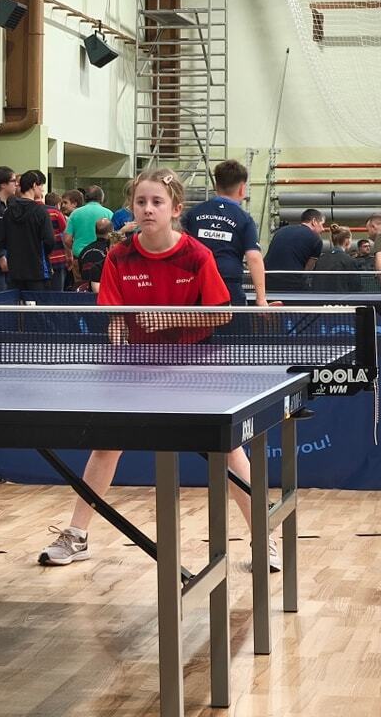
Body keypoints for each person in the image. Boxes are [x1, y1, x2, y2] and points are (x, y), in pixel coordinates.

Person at [38, 168, 281, 572]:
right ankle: (77, 534)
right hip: (138, 365)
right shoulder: (119, 256)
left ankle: (263, 536)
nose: (148, 209)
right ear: (131, 208)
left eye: (157, 202)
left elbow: (222, 314)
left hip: (194, 364)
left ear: (175, 209)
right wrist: (118, 329)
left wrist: (171, 318)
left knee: (228, 450)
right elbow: (115, 313)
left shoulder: (196, 255)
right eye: (141, 202)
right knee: (106, 446)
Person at [182, 159, 267, 306]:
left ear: (216, 186)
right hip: (228, 286)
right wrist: (261, 298)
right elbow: (254, 257)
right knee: (233, 322)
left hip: (195, 284)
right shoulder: (244, 219)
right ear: (242, 188)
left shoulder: (193, 213)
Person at [0, 170, 55, 291]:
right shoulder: (41, 212)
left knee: (15, 302)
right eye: (41, 186)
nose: (42, 190)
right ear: (34, 185)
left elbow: (2, 239)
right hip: (37, 270)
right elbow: (50, 240)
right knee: (37, 302)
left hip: (14, 270)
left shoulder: (8, 212)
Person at [263, 208, 325, 291]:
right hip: (292, 285)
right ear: (314, 221)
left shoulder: (280, 231)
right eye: (322, 224)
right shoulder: (316, 239)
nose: (323, 229)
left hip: (268, 282)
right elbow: (307, 271)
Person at [64, 185, 113, 275]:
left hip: (79, 257)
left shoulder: (75, 214)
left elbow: (67, 239)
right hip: (103, 258)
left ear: (85, 198)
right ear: (101, 198)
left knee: (81, 283)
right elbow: (114, 238)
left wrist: (75, 248)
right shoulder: (109, 213)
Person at [312, 223, 360, 292]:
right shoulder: (350, 261)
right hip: (341, 297)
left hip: (320, 297)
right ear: (347, 241)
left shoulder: (320, 259)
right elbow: (355, 287)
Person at [77, 218, 113, 292]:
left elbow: (80, 272)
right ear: (111, 231)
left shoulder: (84, 250)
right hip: (102, 290)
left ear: (95, 231)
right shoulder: (110, 252)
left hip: (84, 290)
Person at [44, 192, 69, 291]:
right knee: (58, 289)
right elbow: (65, 233)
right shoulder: (56, 213)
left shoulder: (40, 211)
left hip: (45, 258)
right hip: (58, 257)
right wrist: (69, 255)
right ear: (58, 204)